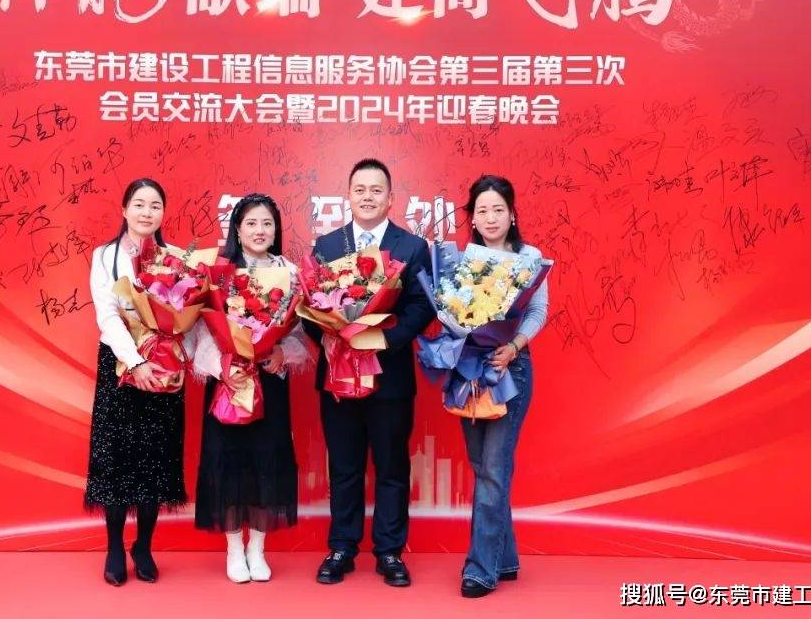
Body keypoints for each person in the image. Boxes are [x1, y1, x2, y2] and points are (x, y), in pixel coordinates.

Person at [305, 158, 436, 587]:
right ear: (348, 195)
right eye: (360, 189)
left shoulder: (412, 247)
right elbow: (308, 306)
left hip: (389, 377)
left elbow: (422, 307)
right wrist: (329, 335)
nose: (367, 197)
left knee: (391, 466)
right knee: (344, 467)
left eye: (376, 190)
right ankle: (342, 547)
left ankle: (390, 551)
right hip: (339, 378)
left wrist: (381, 339)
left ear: (390, 198)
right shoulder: (327, 246)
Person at [193, 193, 314, 583]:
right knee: (228, 462)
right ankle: (233, 549)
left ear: (276, 230)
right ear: (237, 229)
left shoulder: (291, 274)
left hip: (269, 383)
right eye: (251, 223)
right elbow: (201, 329)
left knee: (267, 461)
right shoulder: (219, 273)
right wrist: (222, 366)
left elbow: (302, 331)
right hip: (229, 383)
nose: (260, 231)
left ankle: (257, 549)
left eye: (267, 223)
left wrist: (281, 352)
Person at [85, 178, 188, 586]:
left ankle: (143, 546)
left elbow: (185, 315)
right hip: (120, 364)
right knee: (117, 458)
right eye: (140, 204)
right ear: (125, 209)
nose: (147, 212)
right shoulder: (104, 256)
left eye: (155, 205)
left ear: (163, 212)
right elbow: (107, 315)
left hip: (164, 365)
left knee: (155, 458)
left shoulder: (175, 259)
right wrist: (136, 361)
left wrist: (163, 359)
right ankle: (114, 546)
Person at [457, 174, 548, 598]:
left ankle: (480, 570)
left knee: (494, 469)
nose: (490, 217)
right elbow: (454, 315)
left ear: (512, 215)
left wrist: (512, 346)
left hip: (512, 368)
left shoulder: (530, 257)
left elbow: (538, 312)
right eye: (482, 210)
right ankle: (504, 558)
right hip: (471, 370)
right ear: (473, 219)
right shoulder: (463, 261)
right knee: (483, 467)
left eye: (498, 209)